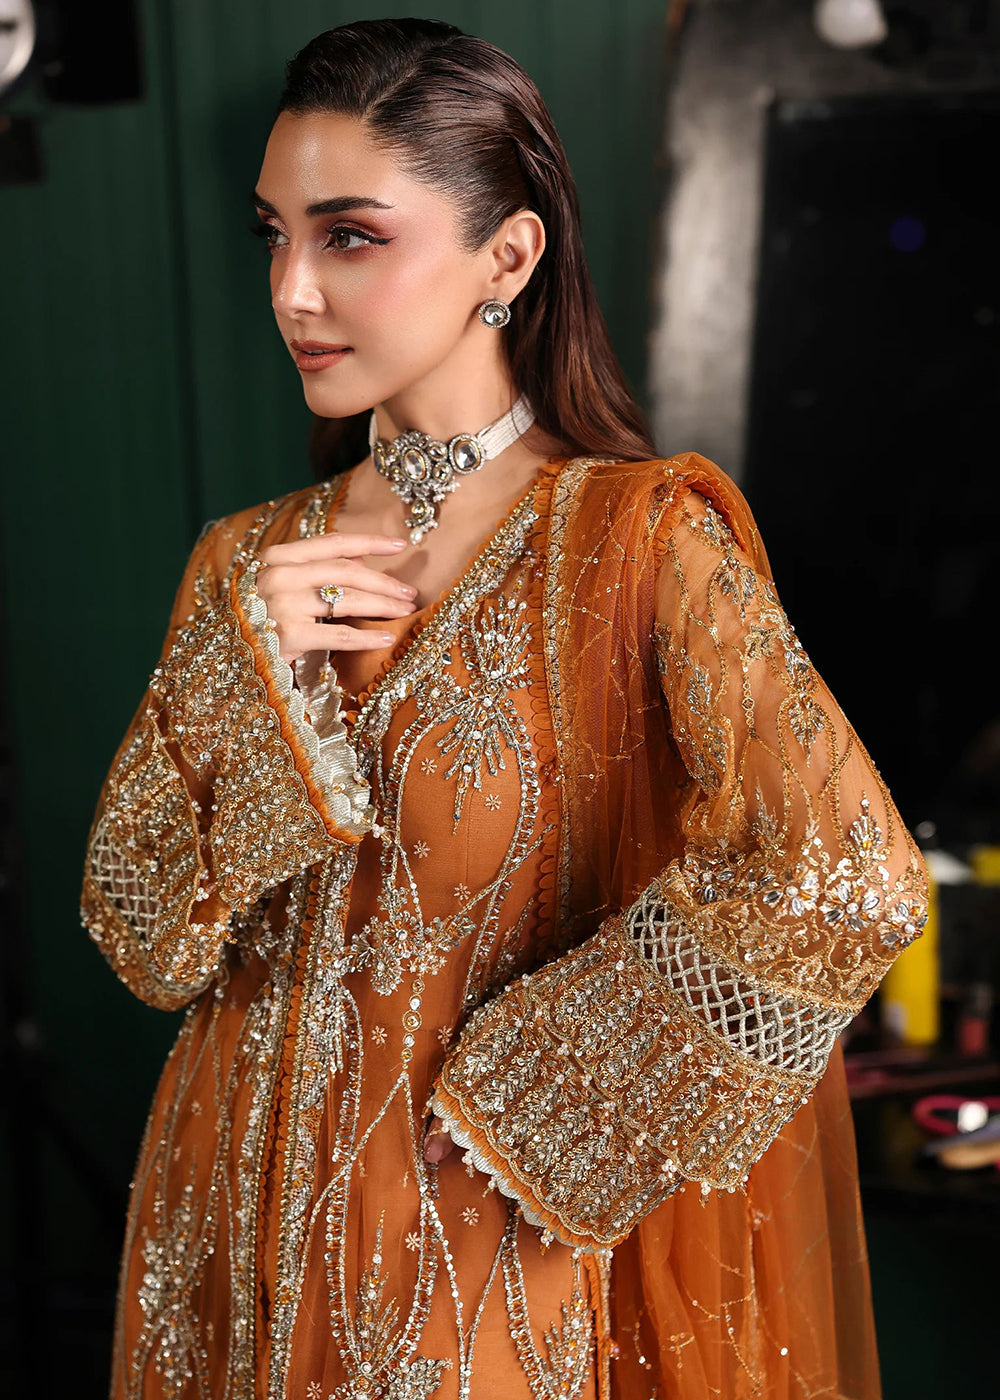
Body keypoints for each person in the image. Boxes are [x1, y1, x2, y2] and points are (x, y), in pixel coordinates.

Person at [80, 18, 928, 1400]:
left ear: (509, 257)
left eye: (351, 236)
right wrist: (250, 691)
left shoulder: (639, 542)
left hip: (470, 1255)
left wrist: (545, 1105)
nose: (293, 289)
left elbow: (843, 875)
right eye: (273, 235)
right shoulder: (246, 562)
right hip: (219, 1236)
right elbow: (139, 934)